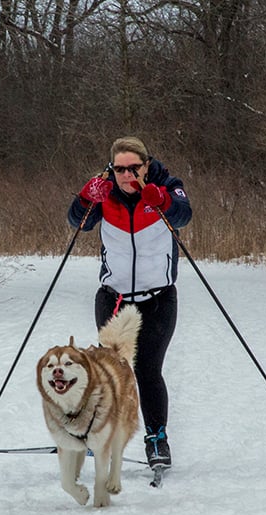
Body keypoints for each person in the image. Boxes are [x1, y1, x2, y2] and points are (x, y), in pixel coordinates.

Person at [67, 136, 192, 470]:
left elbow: (183, 215)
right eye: (120, 169)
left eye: (133, 168)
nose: (127, 175)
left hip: (159, 300)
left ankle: (157, 439)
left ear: (146, 166)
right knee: (109, 369)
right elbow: (77, 221)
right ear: (113, 169)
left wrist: (161, 199)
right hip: (115, 299)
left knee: (147, 369)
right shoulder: (104, 193)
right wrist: (84, 198)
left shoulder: (167, 186)